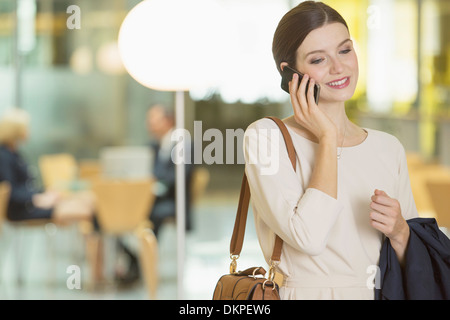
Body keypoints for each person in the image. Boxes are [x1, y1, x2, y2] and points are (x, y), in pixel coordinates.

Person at [243, 1, 418, 300]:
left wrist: (400, 230)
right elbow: (308, 237)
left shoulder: (388, 148)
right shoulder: (266, 137)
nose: (339, 67)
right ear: (290, 74)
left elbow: (415, 261)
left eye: (345, 50)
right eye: (318, 59)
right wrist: (327, 136)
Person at [0, 108, 93, 223]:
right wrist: (37, 199)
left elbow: (26, 186)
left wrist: (44, 192)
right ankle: (98, 239)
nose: (28, 131)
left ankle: (97, 239)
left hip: (30, 204)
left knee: (88, 200)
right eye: (26, 128)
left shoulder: (15, 154)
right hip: (22, 209)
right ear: (16, 130)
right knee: (84, 210)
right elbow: (9, 192)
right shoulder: (4, 156)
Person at [146, 104, 193, 238]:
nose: (149, 124)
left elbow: (178, 178)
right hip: (152, 198)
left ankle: (146, 253)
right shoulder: (153, 145)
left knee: (148, 211)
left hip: (172, 201)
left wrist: (154, 187)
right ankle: (134, 254)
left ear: (168, 121)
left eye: (153, 119)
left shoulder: (183, 145)